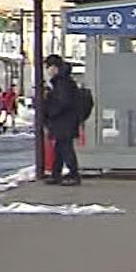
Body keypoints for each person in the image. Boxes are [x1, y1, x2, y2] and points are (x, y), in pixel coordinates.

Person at [41, 56, 83, 185]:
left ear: (55, 67)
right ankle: (56, 174)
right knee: (60, 148)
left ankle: (73, 175)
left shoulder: (62, 82)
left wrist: (50, 111)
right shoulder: (62, 81)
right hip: (65, 120)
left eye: (48, 67)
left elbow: (63, 102)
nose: (47, 70)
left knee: (65, 148)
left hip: (64, 121)